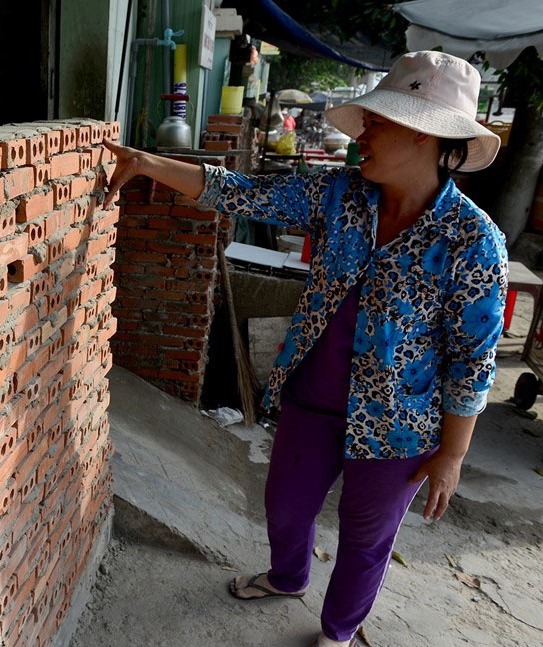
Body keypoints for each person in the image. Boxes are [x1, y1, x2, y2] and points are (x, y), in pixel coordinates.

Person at [102, 51, 507, 647]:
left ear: (425, 135)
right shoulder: (341, 194)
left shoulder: (475, 242)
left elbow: (474, 359)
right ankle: (288, 576)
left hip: (400, 427)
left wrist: (451, 455)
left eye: (378, 124)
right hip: (311, 399)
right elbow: (246, 194)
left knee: (367, 536)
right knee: (286, 507)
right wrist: (147, 163)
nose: (362, 135)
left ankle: (339, 631)